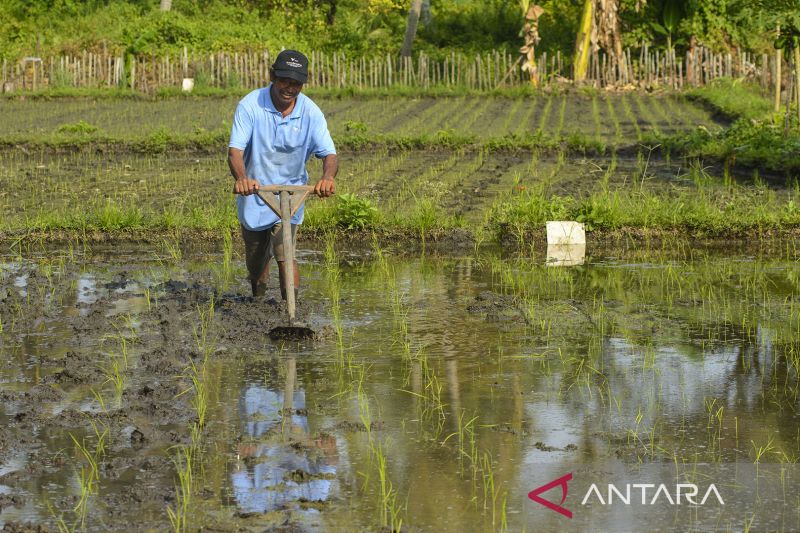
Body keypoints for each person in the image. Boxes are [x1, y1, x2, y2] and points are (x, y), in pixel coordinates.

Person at [228, 49, 338, 298]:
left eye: (296, 83)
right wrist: (242, 179)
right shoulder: (250, 105)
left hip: (291, 194)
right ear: (272, 76)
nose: (289, 87)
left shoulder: (311, 112)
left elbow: (329, 154)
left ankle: (290, 315)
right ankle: (258, 303)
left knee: (286, 253)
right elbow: (235, 151)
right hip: (255, 193)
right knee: (256, 259)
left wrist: (327, 178)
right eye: (284, 80)